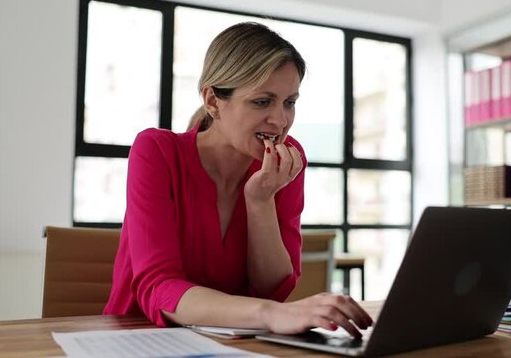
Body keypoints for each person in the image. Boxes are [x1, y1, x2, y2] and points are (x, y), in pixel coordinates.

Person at [104, 22, 372, 338]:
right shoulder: (158, 152)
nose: (281, 120)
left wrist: (261, 201)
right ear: (214, 101)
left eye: (289, 102)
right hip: (140, 339)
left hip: (233, 342)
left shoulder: (285, 161)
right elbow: (160, 288)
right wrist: (271, 314)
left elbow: (272, 289)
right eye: (262, 101)